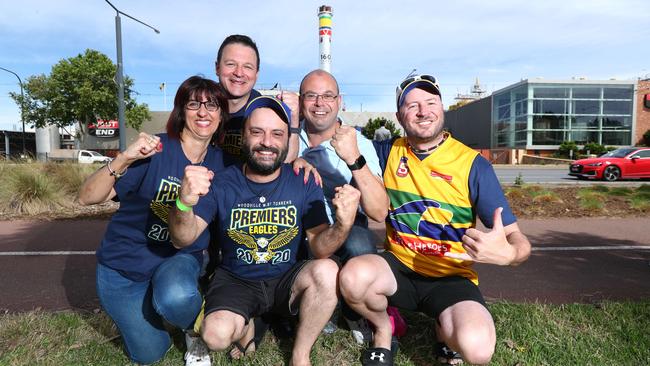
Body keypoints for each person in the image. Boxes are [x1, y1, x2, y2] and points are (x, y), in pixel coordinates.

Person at [339, 74, 532, 366]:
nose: (423, 111)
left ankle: (445, 335)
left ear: (442, 108)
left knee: (478, 350)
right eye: (412, 105)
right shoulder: (388, 151)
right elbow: (333, 134)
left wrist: (511, 255)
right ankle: (383, 329)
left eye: (431, 102)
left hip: (450, 277)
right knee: (352, 278)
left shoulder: (472, 164)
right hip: (400, 268)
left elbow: (518, 240)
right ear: (399, 116)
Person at [169, 96, 360, 366]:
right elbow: (181, 239)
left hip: (286, 280)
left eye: (276, 134)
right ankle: (249, 324)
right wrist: (183, 203)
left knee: (328, 270)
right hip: (237, 280)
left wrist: (343, 224)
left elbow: (319, 248)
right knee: (215, 336)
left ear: (286, 140)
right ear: (244, 134)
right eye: (257, 132)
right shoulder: (221, 182)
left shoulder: (303, 180)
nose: (267, 142)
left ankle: (300, 354)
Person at [77, 76, 228, 366]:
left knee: (177, 297)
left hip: (178, 257)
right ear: (182, 111)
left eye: (212, 105)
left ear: (222, 115)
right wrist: (124, 158)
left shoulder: (221, 164)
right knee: (150, 354)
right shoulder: (156, 149)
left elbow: (182, 239)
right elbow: (87, 197)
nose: (203, 112)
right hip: (124, 264)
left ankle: (191, 330)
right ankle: (152, 310)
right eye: (194, 103)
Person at [296, 69, 388, 341]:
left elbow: (380, 212)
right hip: (303, 221)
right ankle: (290, 308)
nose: (319, 103)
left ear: (340, 101)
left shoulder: (359, 142)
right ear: (301, 102)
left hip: (345, 223)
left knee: (360, 245)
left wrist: (353, 158)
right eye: (311, 96)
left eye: (327, 96)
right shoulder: (289, 138)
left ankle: (354, 311)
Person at [215, 34, 300, 164]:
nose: (239, 73)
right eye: (231, 64)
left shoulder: (267, 110)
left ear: (257, 74)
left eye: (248, 67)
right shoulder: (200, 105)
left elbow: (283, 165)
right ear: (217, 68)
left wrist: (294, 123)